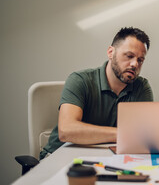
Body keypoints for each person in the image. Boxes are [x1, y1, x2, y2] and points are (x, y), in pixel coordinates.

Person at [40, 27, 153, 159]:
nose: (134, 64)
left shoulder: (142, 87)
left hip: (105, 159)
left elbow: (142, 135)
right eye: (129, 56)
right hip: (59, 157)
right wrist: (123, 134)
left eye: (140, 60)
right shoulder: (80, 80)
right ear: (111, 52)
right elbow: (67, 130)